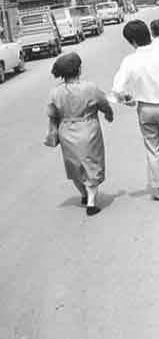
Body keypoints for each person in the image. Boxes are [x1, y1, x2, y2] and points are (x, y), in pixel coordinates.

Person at [111, 20, 159, 201]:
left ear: (132, 41)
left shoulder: (129, 61)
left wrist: (127, 99)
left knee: (152, 148)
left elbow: (117, 89)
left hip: (145, 108)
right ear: (149, 34)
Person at [45, 52, 113, 216]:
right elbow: (103, 103)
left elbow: (52, 113)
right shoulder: (90, 87)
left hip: (66, 130)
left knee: (74, 165)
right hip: (88, 128)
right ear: (79, 69)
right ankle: (91, 201)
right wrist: (108, 114)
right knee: (92, 164)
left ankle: (83, 194)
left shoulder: (55, 92)